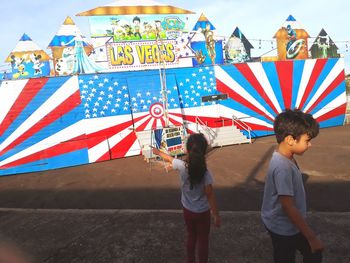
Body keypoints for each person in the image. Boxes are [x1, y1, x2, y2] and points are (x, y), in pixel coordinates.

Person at [261, 109, 324, 263]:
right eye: (307, 140)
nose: (310, 145)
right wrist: (311, 236)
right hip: (283, 229)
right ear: (290, 140)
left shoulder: (285, 157)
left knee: (314, 253)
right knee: (291, 255)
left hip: (287, 224)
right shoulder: (283, 167)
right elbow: (288, 206)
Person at [152, 133, 221, 263]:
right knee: (203, 240)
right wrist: (216, 215)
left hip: (188, 211)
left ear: (186, 150)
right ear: (204, 151)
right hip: (202, 213)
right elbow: (210, 195)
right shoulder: (206, 174)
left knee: (191, 236)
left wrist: (156, 151)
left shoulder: (181, 166)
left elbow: (168, 158)